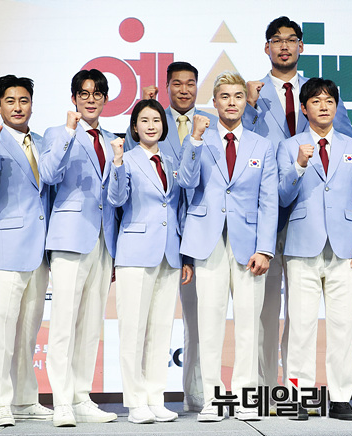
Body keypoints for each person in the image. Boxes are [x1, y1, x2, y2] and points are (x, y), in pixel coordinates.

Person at [242, 15, 352, 402]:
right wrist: (251, 107)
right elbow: (242, 145)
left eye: (291, 39)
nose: (285, 46)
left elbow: (344, 144)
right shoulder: (252, 93)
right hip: (267, 213)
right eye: (277, 40)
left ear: (302, 46)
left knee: (302, 315)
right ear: (267, 47)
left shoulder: (320, 93)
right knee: (265, 309)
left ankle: (295, 391)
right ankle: (265, 390)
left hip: (314, 215)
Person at [178, 71, 278, 422]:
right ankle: (213, 399)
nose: (232, 102)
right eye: (225, 96)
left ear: (244, 102)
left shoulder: (261, 145)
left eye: (238, 96)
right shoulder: (198, 139)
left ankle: (247, 397)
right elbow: (186, 182)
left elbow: (269, 201)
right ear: (215, 102)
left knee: (249, 323)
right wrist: (194, 140)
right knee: (209, 322)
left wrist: (265, 249)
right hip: (207, 241)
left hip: (249, 245)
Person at [277, 78, 352, 421]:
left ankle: (341, 397)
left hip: (344, 249)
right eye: (316, 101)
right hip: (302, 246)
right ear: (304, 108)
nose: (323, 106)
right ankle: (297, 396)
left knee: (342, 327)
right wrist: (299, 165)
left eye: (329, 100)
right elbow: (282, 196)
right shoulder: (289, 146)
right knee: (301, 327)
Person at [0, 75, 53, 427]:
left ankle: (25, 400)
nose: (18, 107)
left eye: (24, 100)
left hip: (39, 253)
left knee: (28, 333)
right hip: (4, 251)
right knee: (1, 333)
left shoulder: (45, 143)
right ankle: (0, 402)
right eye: (10, 101)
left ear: (32, 103)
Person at [40, 69, 119, 427]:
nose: (91, 99)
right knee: (64, 323)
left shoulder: (112, 139)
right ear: (74, 98)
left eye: (97, 93)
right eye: (84, 93)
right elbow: (49, 175)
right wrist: (70, 132)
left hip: (104, 239)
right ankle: (61, 401)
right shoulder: (57, 134)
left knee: (90, 324)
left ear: (105, 99)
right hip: (70, 237)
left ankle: (81, 396)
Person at [108, 99, 194, 424]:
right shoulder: (126, 159)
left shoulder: (170, 161)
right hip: (135, 252)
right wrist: (117, 163)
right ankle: (135, 403)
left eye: (156, 120)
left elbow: (178, 208)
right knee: (133, 330)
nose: (151, 126)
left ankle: (155, 398)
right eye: (144, 120)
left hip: (169, 254)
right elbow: (116, 199)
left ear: (163, 125)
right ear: (134, 127)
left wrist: (184, 254)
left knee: (160, 330)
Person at [142, 61, 217, 412]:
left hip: (203, 232)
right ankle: (145, 395)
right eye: (177, 84)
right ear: (167, 86)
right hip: (163, 235)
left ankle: (196, 393)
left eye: (190, 83)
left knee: (199, 321)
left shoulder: (211, 123)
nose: (184, 90)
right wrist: (145, 106)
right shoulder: (154, 119)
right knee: (153, 320)